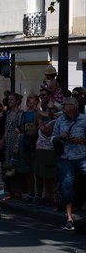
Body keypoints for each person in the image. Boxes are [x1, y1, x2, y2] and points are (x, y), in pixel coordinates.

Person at [52, 96, 86, 231]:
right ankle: (69, 218)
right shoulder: (60, 120)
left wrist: (81, 140)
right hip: (65, 157)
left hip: (82, 156)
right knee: (66, 187)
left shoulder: (84, 119)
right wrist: (60, 137)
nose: (62, 106)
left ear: (72, 107)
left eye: (64, 104)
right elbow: (53, 138)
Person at [16, 94, 39, 203]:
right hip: (24, 144)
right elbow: (21, 130)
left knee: (36, 171)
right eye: (29, 103)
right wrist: (18, 144)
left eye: (33, 103)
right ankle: (30, 193)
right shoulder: (24, 114)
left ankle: (38, 194)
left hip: (35, 145)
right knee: (27, 171)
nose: (31, 105)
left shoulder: (38, 114)